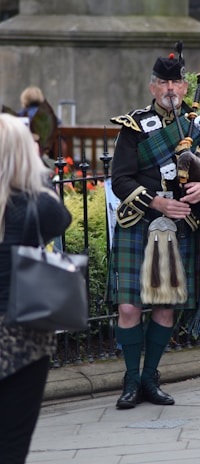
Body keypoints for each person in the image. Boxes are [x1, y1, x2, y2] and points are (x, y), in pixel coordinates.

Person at [106, 48, 200, 409]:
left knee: (165, 308)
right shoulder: (134, 127)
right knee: (129, 308)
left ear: (184, 86)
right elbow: (120, 180)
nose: (170, 88)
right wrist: (158, 203)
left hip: (180, 227)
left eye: (176, 81)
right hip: (141, 224)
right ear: (152, 86)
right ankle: (131, 380)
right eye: (163, 82)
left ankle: (151, 379)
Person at [0, 113, 72, 463]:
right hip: (21, 337)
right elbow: (62, 219)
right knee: (12, 441)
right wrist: (37, 173)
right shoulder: (34, 203)